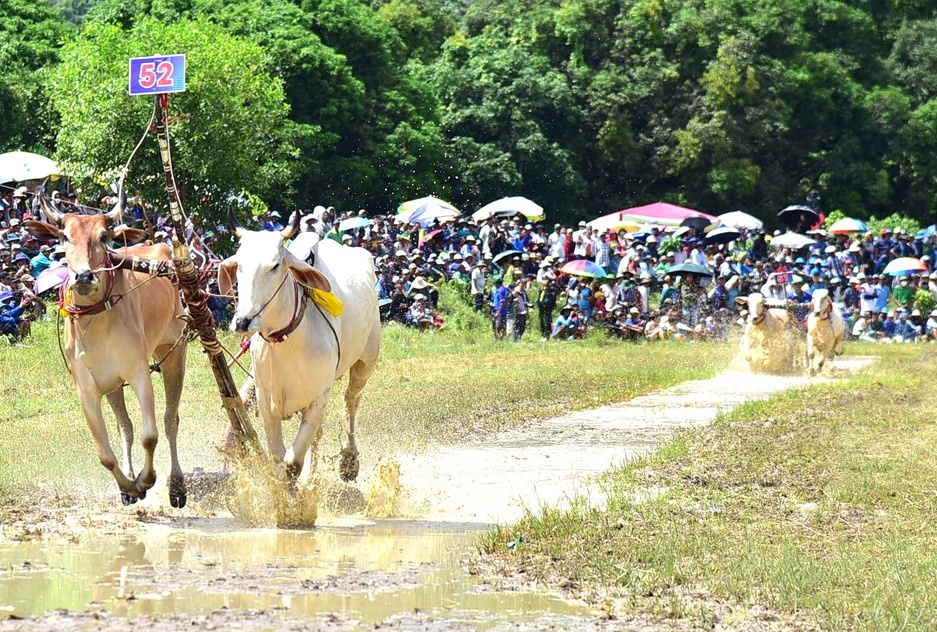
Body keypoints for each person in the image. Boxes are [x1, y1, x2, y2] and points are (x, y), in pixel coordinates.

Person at [490, 275, 510, 341]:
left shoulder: (500, 291)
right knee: (500, 328)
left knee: (498, 328)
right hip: (501, 311)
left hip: (500, 313)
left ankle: (500, 341)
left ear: (496, 283)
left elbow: (502, 303)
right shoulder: (504, 289)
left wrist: (498, 313)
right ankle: (501, 340)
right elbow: (509, 297)